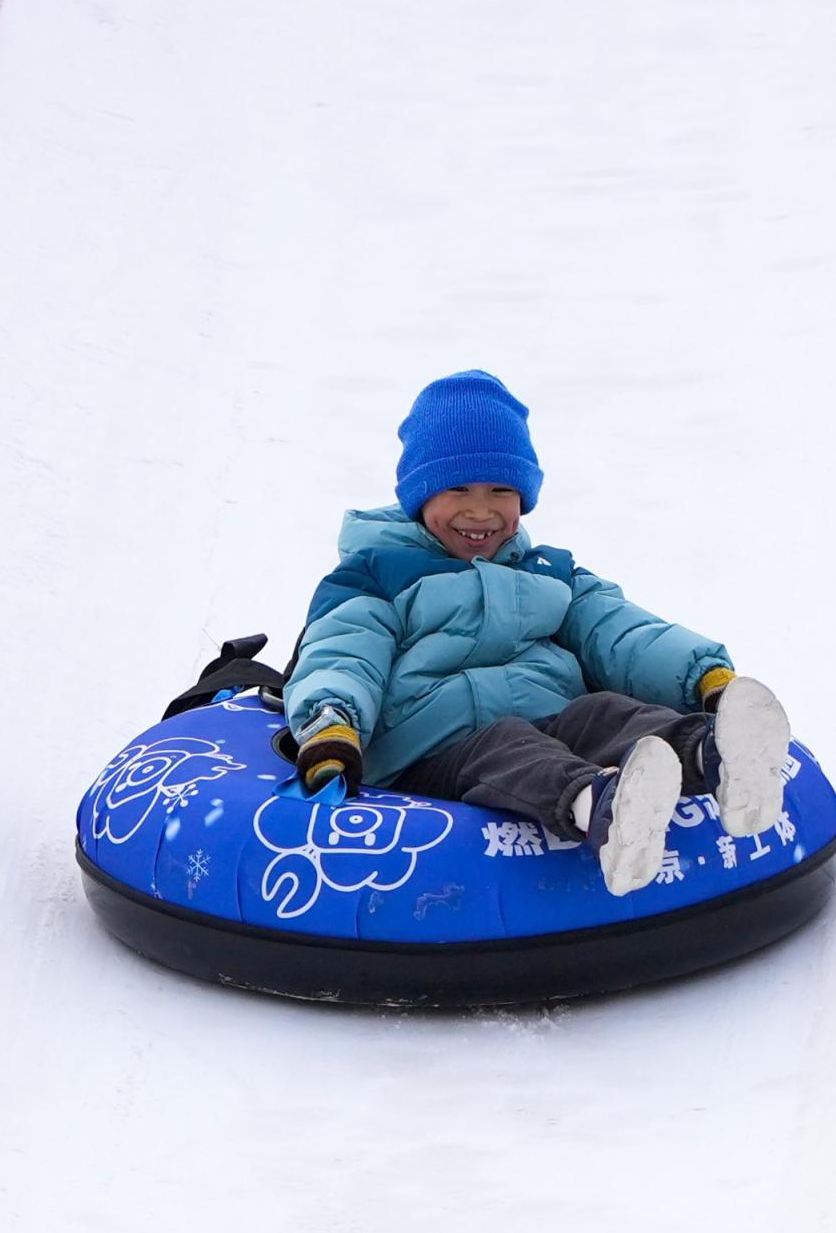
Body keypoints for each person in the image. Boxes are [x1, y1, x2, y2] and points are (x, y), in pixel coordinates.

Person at [278, 370, 795, 900]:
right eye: (458, 488)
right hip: (433, 749)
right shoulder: (377, 573)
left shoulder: (547, 571)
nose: (480, 511)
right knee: (510, 745)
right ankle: (607, 811)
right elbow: (344, 649)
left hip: (549, 718)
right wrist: (332, 723)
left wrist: (702, 674)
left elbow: (620, 631)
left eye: (501, 490)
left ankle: (718, 757)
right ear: (420, 493)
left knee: (606, 712)